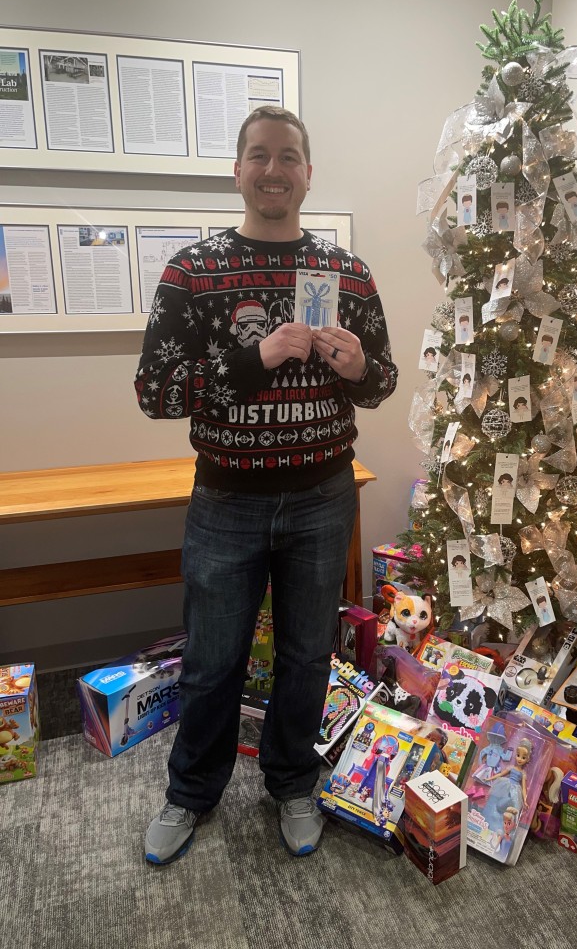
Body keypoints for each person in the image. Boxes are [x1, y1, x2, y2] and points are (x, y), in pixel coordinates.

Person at [134, 106, 398, 864]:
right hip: (227, 501)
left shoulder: (347, 273)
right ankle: (190, 794)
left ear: (309, 174)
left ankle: (292, 784)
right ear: (238, 171)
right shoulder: (194, 270)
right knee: (212, 660)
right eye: (259, 156)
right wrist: (257, 360)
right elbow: (155, 392)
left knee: (308, 655)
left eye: (288, 157)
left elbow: (382, 382)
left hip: (323, 496)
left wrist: (356, 369)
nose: (273, 170)